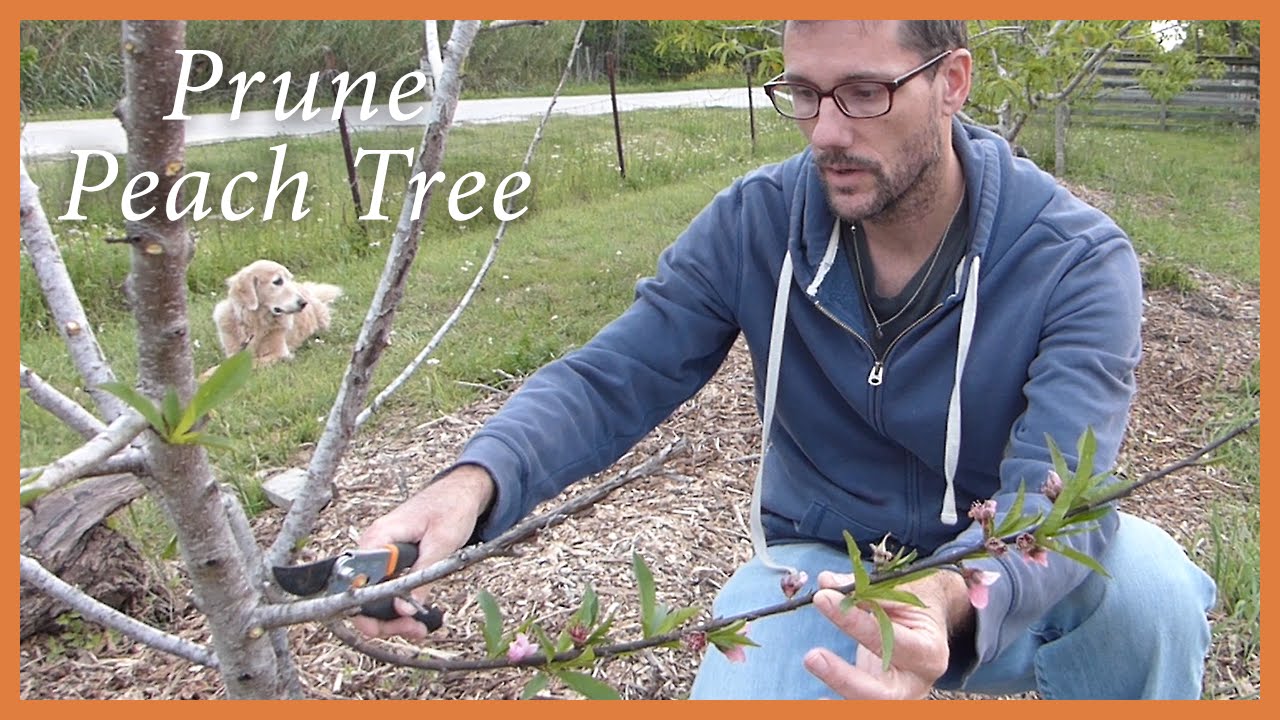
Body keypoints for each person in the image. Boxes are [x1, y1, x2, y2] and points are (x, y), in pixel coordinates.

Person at [354, 20, 1216, 700]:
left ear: (952, 82)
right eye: (804, 94)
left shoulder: (1072, 258)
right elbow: (613, 376)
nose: (827, 132)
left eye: (865, 92)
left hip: (994, 581)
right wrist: (471, 484)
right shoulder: (756, 225)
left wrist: (952, 592)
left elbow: (1060, 493)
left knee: (1152, 589)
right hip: (822, 573)